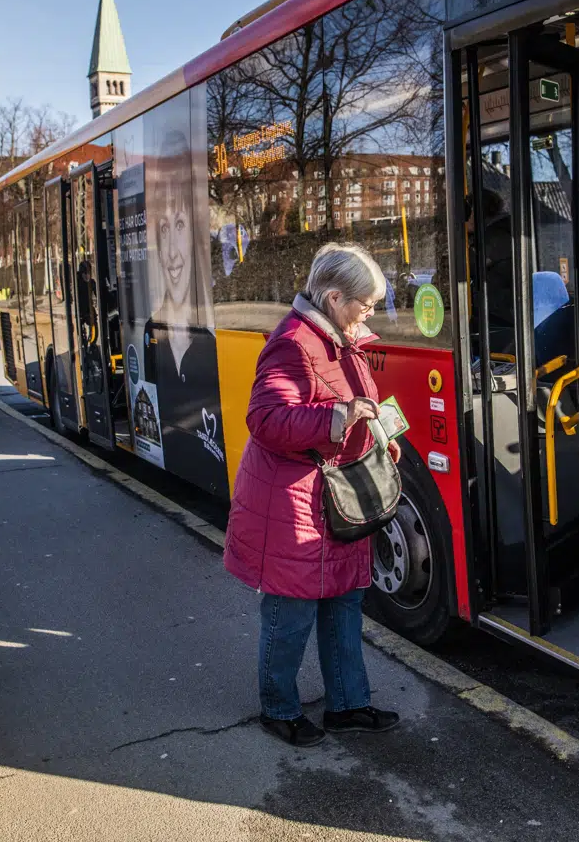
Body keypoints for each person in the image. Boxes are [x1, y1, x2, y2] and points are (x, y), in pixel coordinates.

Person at [223, 243, 402, 747]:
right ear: (331, 296)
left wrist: (382, 436)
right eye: (364, 304)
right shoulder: (293, 344)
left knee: (344, 605)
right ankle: (278, 708)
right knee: (291, 613)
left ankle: (348, 705)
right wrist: (338, 418)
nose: (369, 313)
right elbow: (265, 419)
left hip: (334, 498)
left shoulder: (340, 334)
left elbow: (359, 398)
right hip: (296, 504)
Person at [143, 128, 225, 491]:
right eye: (164, 228)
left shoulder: (210, 344)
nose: (173, 253)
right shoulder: (149, 333)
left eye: (180, 226)